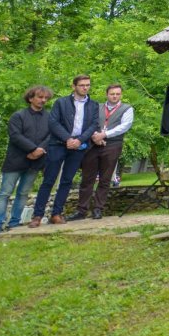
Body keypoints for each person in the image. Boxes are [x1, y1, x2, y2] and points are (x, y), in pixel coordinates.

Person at [31, 74, 98, 226]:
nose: (85, 88)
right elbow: (53, 123)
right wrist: (68, 139)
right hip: (58, 144)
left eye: (88, 85)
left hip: (78, 147)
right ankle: (37, 216)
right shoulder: (61, 102)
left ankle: (56, 214)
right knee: (49, 180)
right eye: (82, 85)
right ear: (74, 86)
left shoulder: (93, 105)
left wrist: (79, 140)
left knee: (67, 181)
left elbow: (94, 125)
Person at [0, 86, 52, 234]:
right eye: (40, 97)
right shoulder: (18, 116)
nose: (43, 100)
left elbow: (51, 136)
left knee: (23, 193)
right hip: (15, 160)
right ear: (30, 98)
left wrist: (39, 151)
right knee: (5, 193)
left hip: (36, 161)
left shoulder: (50, 117)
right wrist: (32, 149)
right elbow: (16, 136)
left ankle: (14, 224)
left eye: (46, 98)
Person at [70, 83, 134, 221]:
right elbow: (87, 123)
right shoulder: (96, 106)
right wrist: (95, 135)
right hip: (93, 144)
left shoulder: (127, 108)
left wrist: (104, 135)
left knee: (105, 179)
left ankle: (98, 209)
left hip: (113, 144)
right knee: (87, 178)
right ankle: (81, 210)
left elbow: (125, 126)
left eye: (117, 94)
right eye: (112, 94)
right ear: (107, 94)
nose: (115, 96)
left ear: (121, 94)